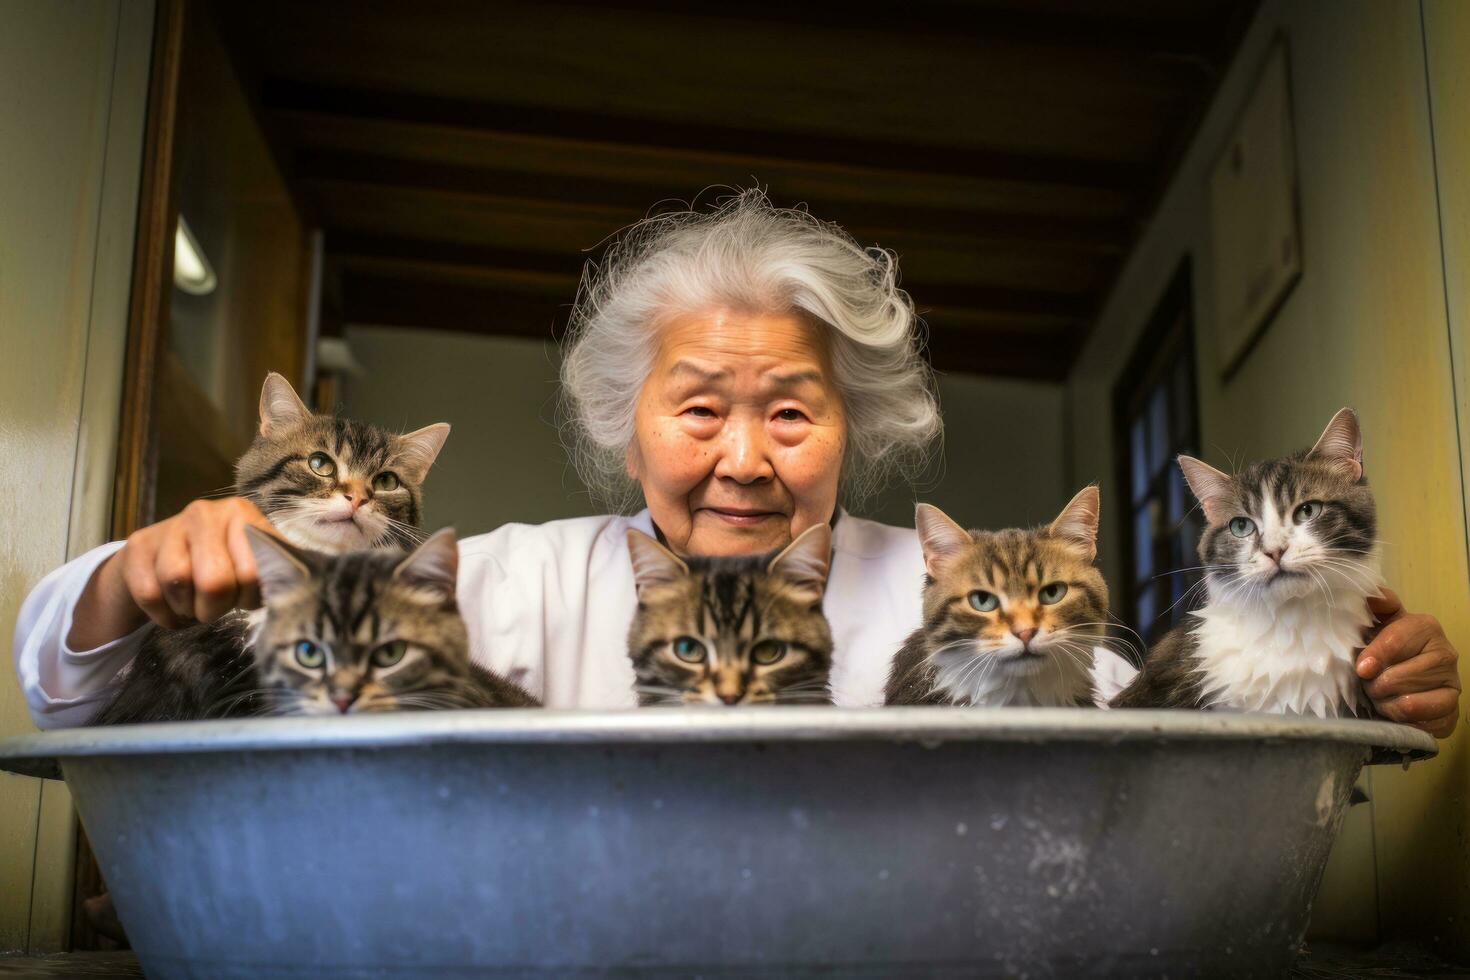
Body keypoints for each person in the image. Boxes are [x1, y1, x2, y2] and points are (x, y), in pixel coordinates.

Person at [11, 192, 1462, 732]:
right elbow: (56, 683)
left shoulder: (948, 586)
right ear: (620, 422)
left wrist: (1348, 668)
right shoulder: (487, 580)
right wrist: (122, 581)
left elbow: (1164, 747)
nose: (744, 459)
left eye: (793, 411)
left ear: (860, 429)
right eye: (698, 408)